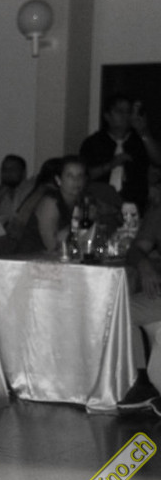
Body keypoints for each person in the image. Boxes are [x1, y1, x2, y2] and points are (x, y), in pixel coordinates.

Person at [79, 95, 161, 213]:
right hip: (101, 205)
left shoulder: (138, 142)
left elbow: (158, 160)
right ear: (107, 116)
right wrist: (111, 164)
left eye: (128, 112)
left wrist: (144, 133)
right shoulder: (93, 142)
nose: (125, 116)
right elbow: (83, 175)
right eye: (120, 111)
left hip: (135, 206)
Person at [118, 205, 161, 414]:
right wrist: (144, 265)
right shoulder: (157, 213)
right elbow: (135, 250)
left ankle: (144, 383)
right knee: (121, 309)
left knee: (122, 312)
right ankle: (143, 382)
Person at [16, 155, 87, 254]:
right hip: (31, 257)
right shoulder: (50, 203)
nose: (76, 180)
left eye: (80, 176)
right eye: (70, 176)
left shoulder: (82, 202)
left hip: (60, 257)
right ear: (58, 180)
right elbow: (52, 246)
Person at [0, 154, 31, 220]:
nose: (7, 172)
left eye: (12, 169)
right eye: (4, 169)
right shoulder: (1, 194)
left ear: (24, 173)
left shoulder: (31, 190)